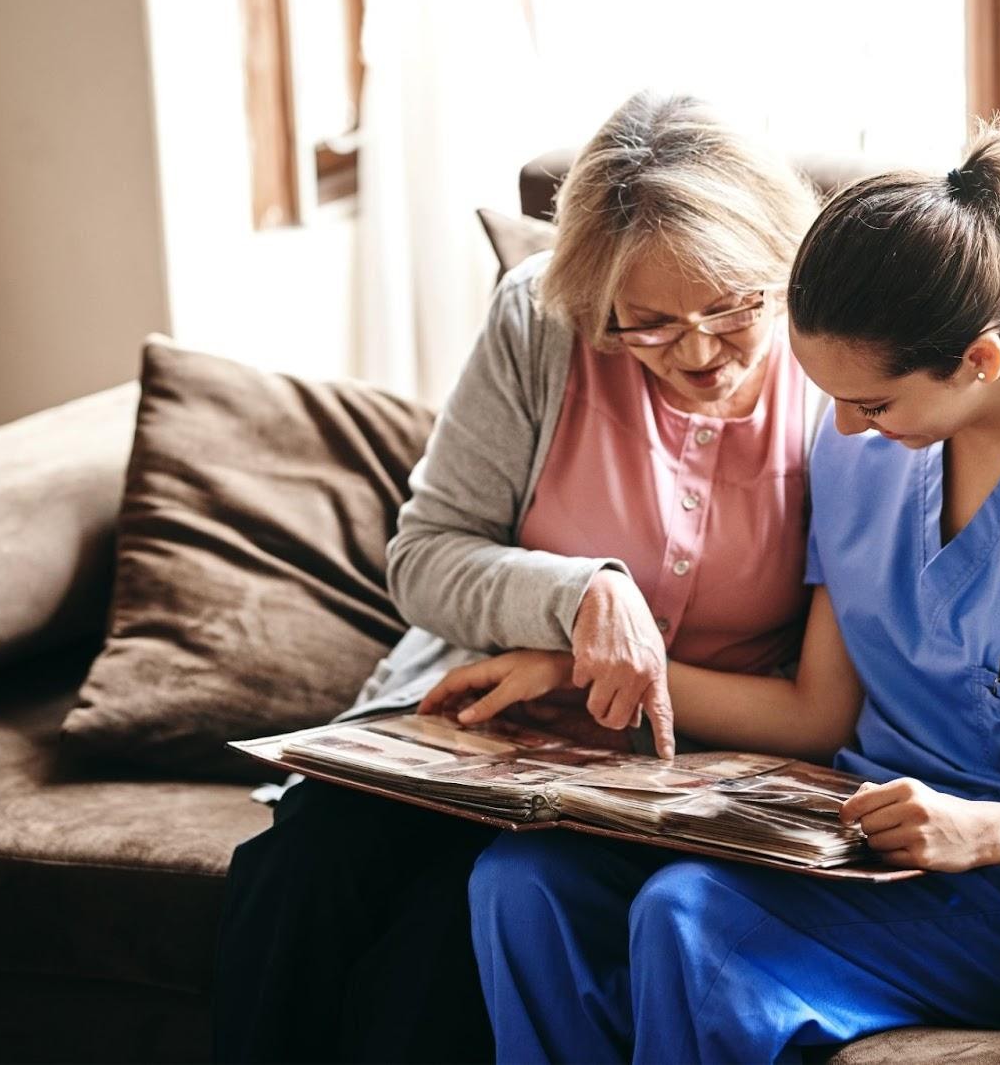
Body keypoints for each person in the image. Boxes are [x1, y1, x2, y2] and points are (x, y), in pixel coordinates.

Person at [456, 120, 1000, 1064]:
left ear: (979, 360)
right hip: (845, 829)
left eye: (872, 403)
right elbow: (816, 713)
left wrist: (972, 828)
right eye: (828, 395)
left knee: (691, 918)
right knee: (525, 881)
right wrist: (574, 667)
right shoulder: (857, 448)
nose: (838, 428)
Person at [210, 91, 823, 1063]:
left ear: (782, 267)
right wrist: (577, 594)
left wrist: (586, 674)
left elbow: (829, 700)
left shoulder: (840, 373)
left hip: (671, 772)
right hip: (477, 736)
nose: (699, 353)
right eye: (649, 327)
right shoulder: (541, 325)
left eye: (730, 307)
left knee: (442, 946)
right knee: (307, 864)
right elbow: (424, 557)